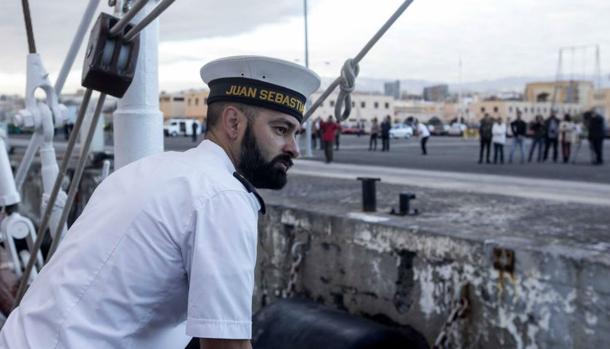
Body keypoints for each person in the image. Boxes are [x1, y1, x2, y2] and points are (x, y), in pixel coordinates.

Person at [0, 56, 321, 349]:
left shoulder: (148, 170)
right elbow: (226, 346)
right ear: (234, 123)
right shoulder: (223, 197)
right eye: (281, 130)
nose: (294, 148)